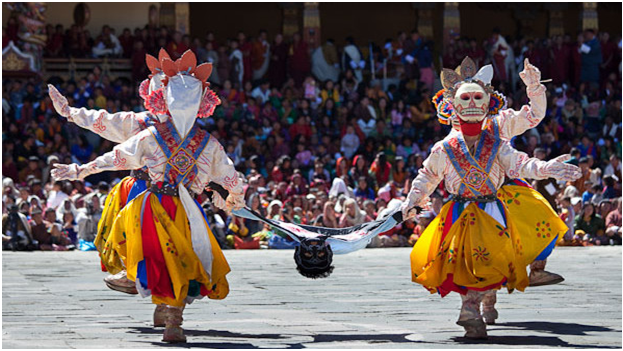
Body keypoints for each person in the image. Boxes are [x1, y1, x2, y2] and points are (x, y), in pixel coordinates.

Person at [51, 50, 245, 343]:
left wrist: (80, 170)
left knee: (165, 258)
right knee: (178, 259)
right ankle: (171, 318)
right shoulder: (203, 142)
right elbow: (232, 179)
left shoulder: (158, 138)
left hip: (157, 205)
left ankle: (168, 315)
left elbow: (115, 158)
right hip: (179, 206)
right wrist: (233, 199)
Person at [402, 57, 581, 339]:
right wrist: (411, 201)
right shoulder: (445, 147)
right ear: (452, 105)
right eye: (466, 97)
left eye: (478, 97)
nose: (472, 103)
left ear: (488, 101)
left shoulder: (498, 135)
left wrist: (544, 167)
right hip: (460, 213)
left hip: (492, 206)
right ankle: (471, 308)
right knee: (465, 264)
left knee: (495, 257)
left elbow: (521, 161)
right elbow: (427, 176)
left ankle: (489, 298)